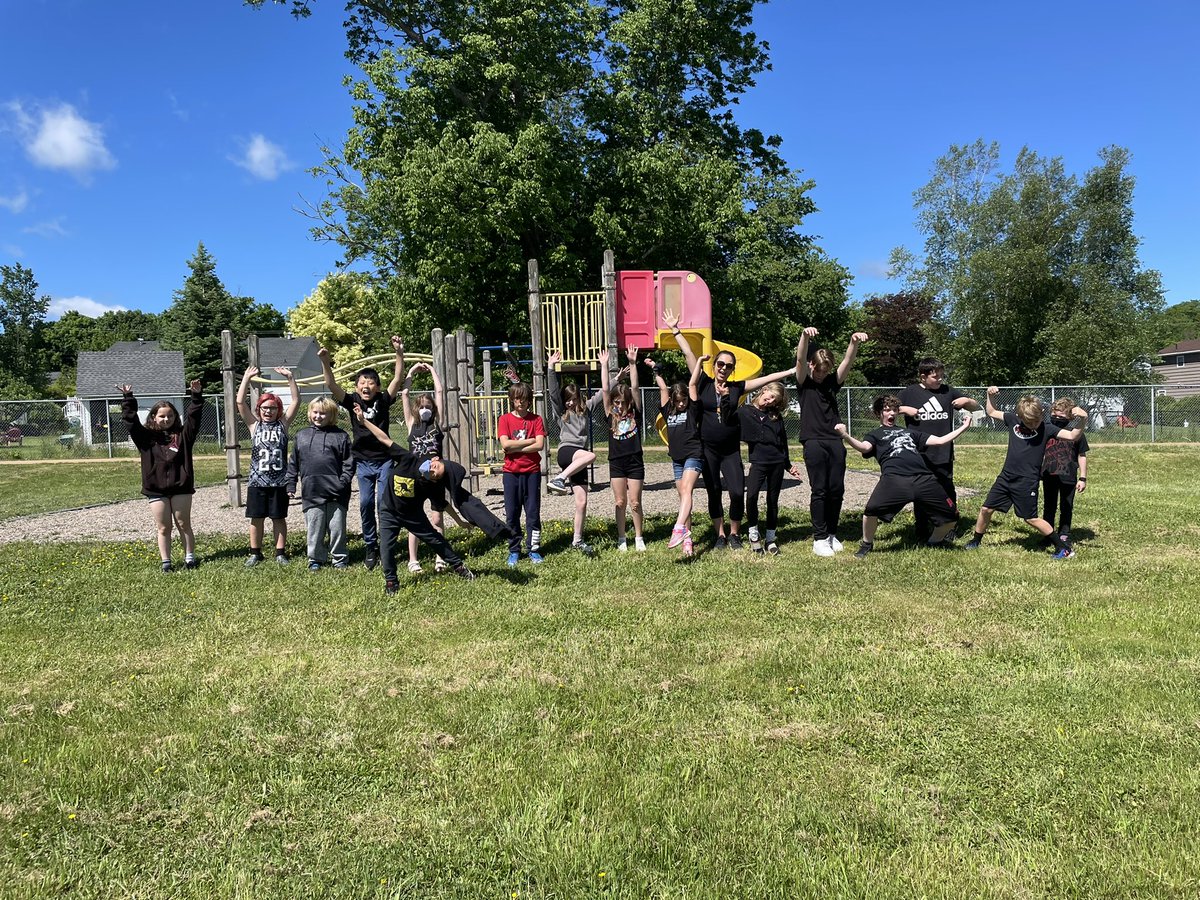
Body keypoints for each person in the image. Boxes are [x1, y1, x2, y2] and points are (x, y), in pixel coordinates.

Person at [353, 407, 480, 592]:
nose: (433, 470)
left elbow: (443, 505)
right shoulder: (409, 459)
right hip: (388, 509)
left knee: (436, 540)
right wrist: (363, 421)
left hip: (412, 515)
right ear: (435, 459)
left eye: (436, 474)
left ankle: (459, 566)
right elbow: (384, 439)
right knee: (386, 547)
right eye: (436, 466)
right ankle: (391, 581)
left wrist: (460, 521)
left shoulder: (432, 485)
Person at [691, 341, 801, 550]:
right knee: (713, 491)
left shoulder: (737, 387)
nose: (724, 368)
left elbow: (765, 380)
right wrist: (676, 332)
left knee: (737, 492)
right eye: (720, 364)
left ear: (733, 369)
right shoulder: (704, 383)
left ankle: (734, 534)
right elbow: (689, 355)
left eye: (729, 365)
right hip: (708, 449)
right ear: (714, 365)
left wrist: (790, 370)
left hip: (730, 450)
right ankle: (720, 535)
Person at [835, 395, 972, 558]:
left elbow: (941, 441)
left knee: (951, 517)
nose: (891, 413)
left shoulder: (911, 432)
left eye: (894, 410)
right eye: (886, 410)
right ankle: (867, 544)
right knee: (871, 511)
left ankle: (933, 542)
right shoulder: (875, 435)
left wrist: (964, 426)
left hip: (924, 478)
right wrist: (845, 435)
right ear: (879, 413)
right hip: (894, 479)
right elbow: (864, 448)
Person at [965, 388, 1088, 558]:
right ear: (1019, 416)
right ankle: (975, 541)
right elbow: (991, 411)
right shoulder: (1012, 419)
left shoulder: (1048, 428)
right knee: (986, 509)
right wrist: (990, 395)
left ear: (1042, 414)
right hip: (1006, 477)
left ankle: (1062, 548)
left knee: (1030, 519)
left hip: (1027, 481)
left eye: (1035, 422)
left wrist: (1083, 418)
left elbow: (1073, 436)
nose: (1032, 425)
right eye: (1028, 423)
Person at [318, 336, 405, 569]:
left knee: (382, 502)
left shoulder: (384, 400)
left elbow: (397, 378)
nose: (366, 387)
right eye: (362, 383)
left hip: (385, 460)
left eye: (371, 383)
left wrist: (398, 352)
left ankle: (387, 543)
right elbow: (331, 386)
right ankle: (370, 545)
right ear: (357, 387)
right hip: (364, 462)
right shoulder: (352, 400)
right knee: (365, 502)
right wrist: (326, 363)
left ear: (377, 386)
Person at [795, 327, 869, 557]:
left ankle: (831, 534)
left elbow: (847, 362)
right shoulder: (804, 383)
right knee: (820, 490)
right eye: (819, 370)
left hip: (835, 440)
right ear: (811, 366)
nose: (821, 375)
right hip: (813, 441)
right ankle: (819, 538)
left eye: (826, 371)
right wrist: (804, 337)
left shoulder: (831, 383)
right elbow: (799, 357)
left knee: (836, 489)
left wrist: (853, 343)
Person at [119, 379, 204, 572]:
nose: (166, 419)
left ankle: (190, 558)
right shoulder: (145, 438)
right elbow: (130, 421)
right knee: (164, 527)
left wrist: (196, 396)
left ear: (175, 417)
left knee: (183, 524)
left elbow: (194, 417)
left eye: (170, 415)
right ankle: (166, 562)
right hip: (156, 489)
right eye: (162, 416)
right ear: (154, 417)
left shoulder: (184, 436)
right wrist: (128, 399)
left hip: (181, 486)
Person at [898, 358, 980, 542]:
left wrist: (966, 400)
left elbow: (975, 406)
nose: (940, 380)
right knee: (920, 491)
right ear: (923, 376)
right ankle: (921, 527)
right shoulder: (910, 393)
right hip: (918, 453)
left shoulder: (948, 391)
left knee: (946, 490)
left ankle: (949, 525)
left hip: (943, 452)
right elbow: (885, 409)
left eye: (942, 376)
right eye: (936, 377)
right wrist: (904, 409)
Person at [236, 365, 300, 566]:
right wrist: (246, 379)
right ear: (259, 409)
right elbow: (239, 402)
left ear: (278, 410)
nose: (268, 411)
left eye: (272, 408)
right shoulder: (254, 426)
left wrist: (290, 378)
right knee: (256, 518)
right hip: (257, 482)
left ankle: (280, 552)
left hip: (279, 482)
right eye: (265, 408)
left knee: (278, 518)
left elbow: (296, 401)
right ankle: (255, 552)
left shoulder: (283, 425)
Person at [286, 396, 354, 570]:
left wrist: (343, 482)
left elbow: (349, 463)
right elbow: (294, 463)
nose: (318, 416)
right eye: (315, 412)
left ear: (331, 415)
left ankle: (339, 558)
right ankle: (315, 558)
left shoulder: (341, 436)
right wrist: (291, 484)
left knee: (337, 528)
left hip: (337, 492)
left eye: (323, 413)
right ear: (310, 413)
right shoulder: (301, 436)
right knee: (314, 528)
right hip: (312, 490)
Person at [546, 349, 602, 555]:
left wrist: (612, 375)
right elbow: (553, 392)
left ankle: (577, 540)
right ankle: (559, 478)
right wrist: (551, 368)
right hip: (567, 452)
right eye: (567, 399)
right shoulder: (562, 411)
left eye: (572, 398)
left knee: (582, 501)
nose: (570, 402)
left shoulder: (586, 408)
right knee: (591, 456)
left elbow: (602, 393)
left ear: (578, 397)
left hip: (577, 460)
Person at [738, 382, 803, 554]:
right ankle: (753, 534)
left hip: (777, 462)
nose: (771, 401)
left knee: (772, 500)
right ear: (764, 390)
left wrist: (788, 465)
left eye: (775, 400)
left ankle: (770, 538)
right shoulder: (744, 411)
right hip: (758, 462)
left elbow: (783, 442)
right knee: (751, 496)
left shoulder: (775, 416)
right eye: (770, 396)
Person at [400, 360, 450, 573]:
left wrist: (431, 370)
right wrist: (411, 371)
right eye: (421, 407)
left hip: (435, 476)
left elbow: (440, 391)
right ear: (416, 410)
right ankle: (413, 559)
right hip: (415, 477)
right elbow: (404, 394)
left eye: (428, 407)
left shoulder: (437, 423)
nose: (425, 410)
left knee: (437, 517)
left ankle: (441, 556)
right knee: (414, 518)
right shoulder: (412, 424)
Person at [650, 352, 701, 557]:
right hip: (677, 459)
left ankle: (678, 528)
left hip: (694, 454)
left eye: (684, 400)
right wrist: (655, 370)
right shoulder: (667, 411)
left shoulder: (692, 410)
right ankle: (686, 539)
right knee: (684, 498)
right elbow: (662, 387)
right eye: (678, 401)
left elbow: (693, 384)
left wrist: (697, 362)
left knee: (687, 490)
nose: (682, 404)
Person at [600, 346, 647, 551]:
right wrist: (604, 366)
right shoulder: (610, 416)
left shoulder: (635, 413)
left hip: (635, 461)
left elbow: (635, 388)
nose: (619, 405)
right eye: (616, 402)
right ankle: (621, 538)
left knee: (635, 502)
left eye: (622, 402)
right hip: (617, 462)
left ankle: (638, 537)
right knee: (620, 502)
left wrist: (633, 363)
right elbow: (604, 391)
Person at [497, 379, 546, 566]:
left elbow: (540, 445)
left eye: (524, 399)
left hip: (532, 472)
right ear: (512, 400)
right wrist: (529, 441)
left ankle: (534, 549)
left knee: (533, 513)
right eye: (517, 399)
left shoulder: (536, 420)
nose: (521, 402)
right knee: (512, 513)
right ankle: (514, 549)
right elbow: (505, 444)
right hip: (511, 473)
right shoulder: (504, 419)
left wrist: (514, 448)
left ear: (529, 400)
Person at [1041, 396, 1090, 548]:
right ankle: (1048, 535)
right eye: (1054, 415)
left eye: (1060, 416)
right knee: (1049, 506)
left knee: (1066, 506)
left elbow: (1082, 455)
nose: (1056, 418)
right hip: (1049, 474)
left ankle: (1064, 534)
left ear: (1069, 417)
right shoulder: (1047, 430)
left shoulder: (1076, 432)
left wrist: (1083, 478)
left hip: (1068, 475)